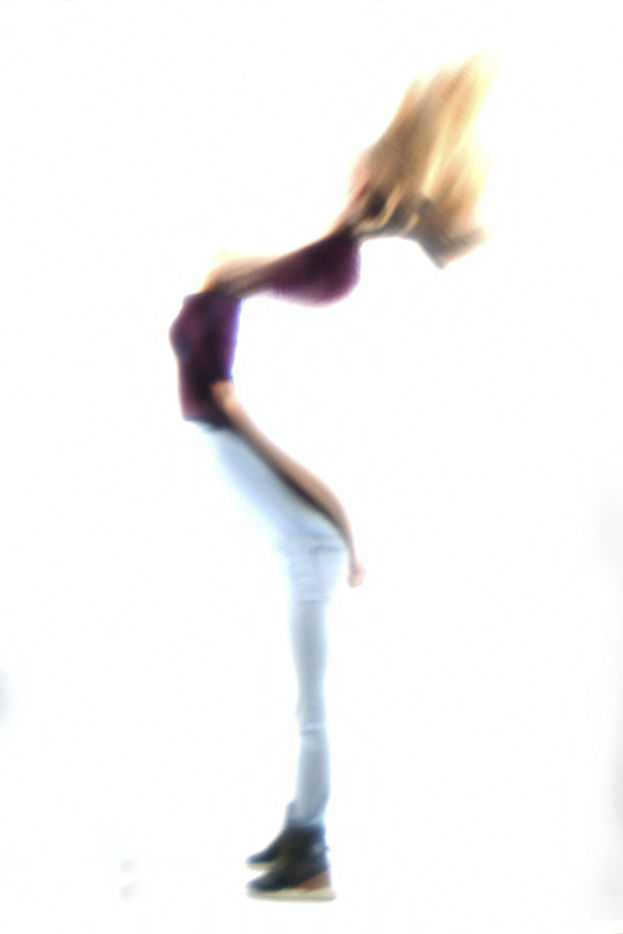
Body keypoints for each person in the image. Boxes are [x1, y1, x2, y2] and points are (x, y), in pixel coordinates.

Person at [169, 50, 497, 901]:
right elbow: (229, 288)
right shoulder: (300, 260)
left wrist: (342, 521)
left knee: (308, 704)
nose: (345, 168)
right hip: (284, 508)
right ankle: (295, 832)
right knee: (300, 699)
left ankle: (310, 850)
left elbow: (263, 402)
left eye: (357, 166)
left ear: (368, 189)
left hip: (310, 541)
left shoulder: (330, 270)